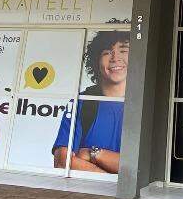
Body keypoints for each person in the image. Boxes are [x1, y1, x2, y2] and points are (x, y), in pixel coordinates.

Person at [52, 31, 128, 173]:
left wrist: (93, 154)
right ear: (96, 61)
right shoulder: (81, 102)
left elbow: (142, 168)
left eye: (123, 51)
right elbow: (62, 162)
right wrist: (114, 177)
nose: (115, 58)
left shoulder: (146, 107)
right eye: (107, 52)